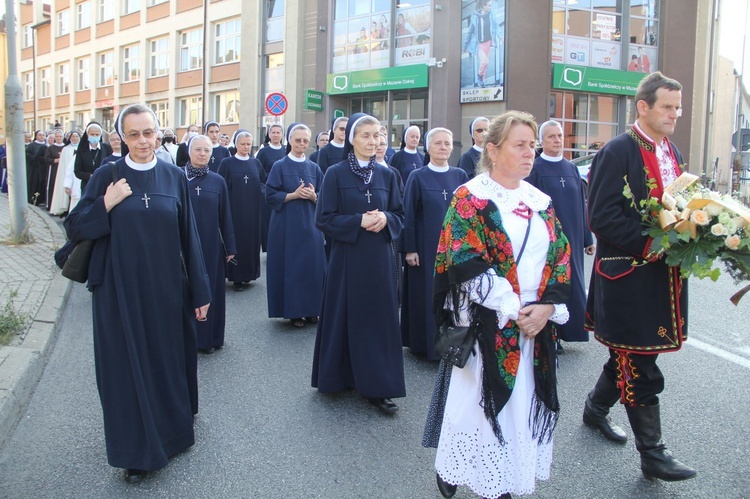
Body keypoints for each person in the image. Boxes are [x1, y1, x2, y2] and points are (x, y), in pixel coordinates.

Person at [423, 111, 571, 499]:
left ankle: (504, 478)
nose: (530, 153)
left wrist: (547, 308)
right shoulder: (470, 197)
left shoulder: (540, 200)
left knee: (521, 406)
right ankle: (455, 466)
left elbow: (560, 256)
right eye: (520, 145)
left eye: (532, 145)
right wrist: (511, 307)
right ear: (493, 149)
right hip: (491, 319)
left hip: (534, 323)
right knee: (475, 404)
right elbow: (463, 259)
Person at [64, 104, 211, 483]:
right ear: (121, 138)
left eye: (149, 132)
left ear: (159, 133)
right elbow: (74, 225)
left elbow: (188, 235)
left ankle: (173, 436)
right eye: (134, 134)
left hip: (165, 290)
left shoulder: (173, 176)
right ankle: (136, 453)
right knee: (126, 370)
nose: (143, 141)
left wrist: (200, 291)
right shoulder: (106, 175)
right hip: (118, 291)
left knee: (166, 362)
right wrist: (106, 203)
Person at [582, 72, 696, 481]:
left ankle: (595, 409)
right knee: (640, 363)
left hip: (661, 278)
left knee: (631, 355)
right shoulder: (617, 151)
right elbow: (602, 217)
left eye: (678, 107)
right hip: (628, 277)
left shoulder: (672, 150)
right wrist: (653, 246)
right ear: (643, 106)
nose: (675, 114)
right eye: (667, 106)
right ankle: (653, 453)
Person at [312, 113, 405, 415]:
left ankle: (378, 386)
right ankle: (340, 377)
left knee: (377, 320)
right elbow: (323, 219)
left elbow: (400, 216)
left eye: (377, 135)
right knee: (345, 316)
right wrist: (358, 221)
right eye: (365, 135)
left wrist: (385, 219)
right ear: (351, 138)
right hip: (346, 260)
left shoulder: (388, 174)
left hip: (378, 260)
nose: (373, 141)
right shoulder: (335, 174)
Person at [400, 128, 468, 360]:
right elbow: (408, 213)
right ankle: (425, 345)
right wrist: (410, 248)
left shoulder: (460, 176)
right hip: (425, 247)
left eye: (447, 143)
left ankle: (454, 344)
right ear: (428, 148)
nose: (442, 147)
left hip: (456, 248)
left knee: (454, 295)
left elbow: (468, 213)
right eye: (437, 143)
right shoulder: (417, 176)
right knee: (427, 295)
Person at [527, 120, 594, 352]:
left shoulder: (571, 168)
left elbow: (581, 204)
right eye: (551, 137)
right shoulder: (535, 168)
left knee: (572, 283)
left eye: (560, 136)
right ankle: (549, 333)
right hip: (547, 239)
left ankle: (570, 330)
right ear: (542, 141)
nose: (557, 140)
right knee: (549, 284)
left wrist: (587, 238)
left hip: (573, 237)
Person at [265, 123, 327, 328]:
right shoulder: (280, 166)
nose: (301, 144)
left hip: (311, 226)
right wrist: (293, 195)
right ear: (289, 140)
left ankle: (312, 309)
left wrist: (314, 196)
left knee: (313, 267)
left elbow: (325, 197)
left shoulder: (314, 167)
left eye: (304, 140)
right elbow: (270, 195)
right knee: (292, 268)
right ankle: (294, 312)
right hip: (286, 226)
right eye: (297, 140)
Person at [185, 134, 236, 354]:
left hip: (211, 245)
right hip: (183, 246)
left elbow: (226, 215)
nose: (202, 154)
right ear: (189, 151)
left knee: (211, 289)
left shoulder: (218, 181)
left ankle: (210, 339)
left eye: (207, 150)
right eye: (198, 150)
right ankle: (187, 338)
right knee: (185, 290)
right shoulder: (177, 177)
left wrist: (230, 247)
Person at [217, 130, 265, 290]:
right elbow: (221, 185)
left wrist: (261, 192)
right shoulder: (227, 163)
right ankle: (236, 277)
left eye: (248, 144)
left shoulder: (255, 163)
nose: (245, 147)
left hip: (253, 209)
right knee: (236, 241)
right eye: (242, 144)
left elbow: (264, 182)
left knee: (251, 242)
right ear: (236, 144)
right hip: (234, 209)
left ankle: (249, 274)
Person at [256, 124, 287, 252]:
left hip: (284, 189)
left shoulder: (286, 151)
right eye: (273, 132)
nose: (275, 135)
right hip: (268, 190)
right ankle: (270, 247)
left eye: (278, 132)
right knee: (268, 220)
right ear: (269, 134)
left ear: (282, 134)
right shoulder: (263, 152)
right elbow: (258, 171)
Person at [463, 0, 499, 88]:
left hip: (488, 42)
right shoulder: (475, 17)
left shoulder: (491, 15)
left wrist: (501, 37)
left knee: (484, 66)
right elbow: (469, 32)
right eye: (489, 6)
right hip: (479, 44)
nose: (491, 7)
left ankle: (482, 84)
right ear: (484, 6)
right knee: (485, 62)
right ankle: (479, 76)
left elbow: (496, 26)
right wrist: (465, 46)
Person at [74, 122, 113, 194]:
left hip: (104, 186)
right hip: (87, 185)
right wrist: (90, 176)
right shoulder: (82, 150)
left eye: (97, 134)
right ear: (87, 135)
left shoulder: (107, 148)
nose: (94, 136)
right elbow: (77, 171)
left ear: (100, 135)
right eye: (92, 134)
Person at [49, 131, 80, 216]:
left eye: (77, 136)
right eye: (73, 137)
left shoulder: (83, 149)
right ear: (69, 138)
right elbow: (64, 166)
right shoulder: (66, 149)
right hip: (69, 174)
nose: (75, 138)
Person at [44, 129, 66, 211]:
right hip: (54, 170)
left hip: (64, 170)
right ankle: (51, 205)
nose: (59, 138)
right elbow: (46, 159)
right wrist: (55, 160)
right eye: (57, 136)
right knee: (53, 186)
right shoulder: (51, 148)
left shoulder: (66, 147)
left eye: (60, 136)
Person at [26, 130, 47, 205]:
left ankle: (42, 199)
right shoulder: (31, 145)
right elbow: (28, 155)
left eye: (43, 135)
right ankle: (33, 199)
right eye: (40, 135)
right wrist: (37, 159)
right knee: (34, 182)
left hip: (44, 168)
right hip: (34, 168)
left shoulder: (46, 145)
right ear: (36, 136)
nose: (41, 136)